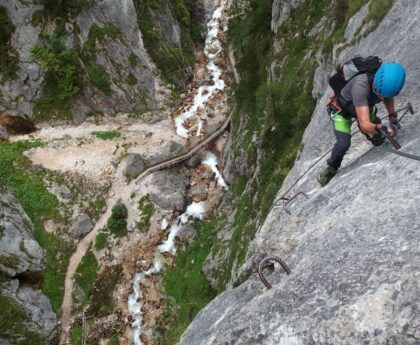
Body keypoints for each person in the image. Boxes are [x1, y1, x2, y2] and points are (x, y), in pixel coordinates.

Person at [317, 62, 406, 186]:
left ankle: (377, 139)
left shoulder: (384, 86)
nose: (379, 96)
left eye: (382, 95)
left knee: (377, 131)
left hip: (364, 105)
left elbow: (387, 97)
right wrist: (379, 128)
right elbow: (365, 125)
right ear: (375, 82)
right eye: (377, 92)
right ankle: (331, 168)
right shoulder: (361, 86)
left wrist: (392, 116)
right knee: (343, 143)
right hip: (341, 112)